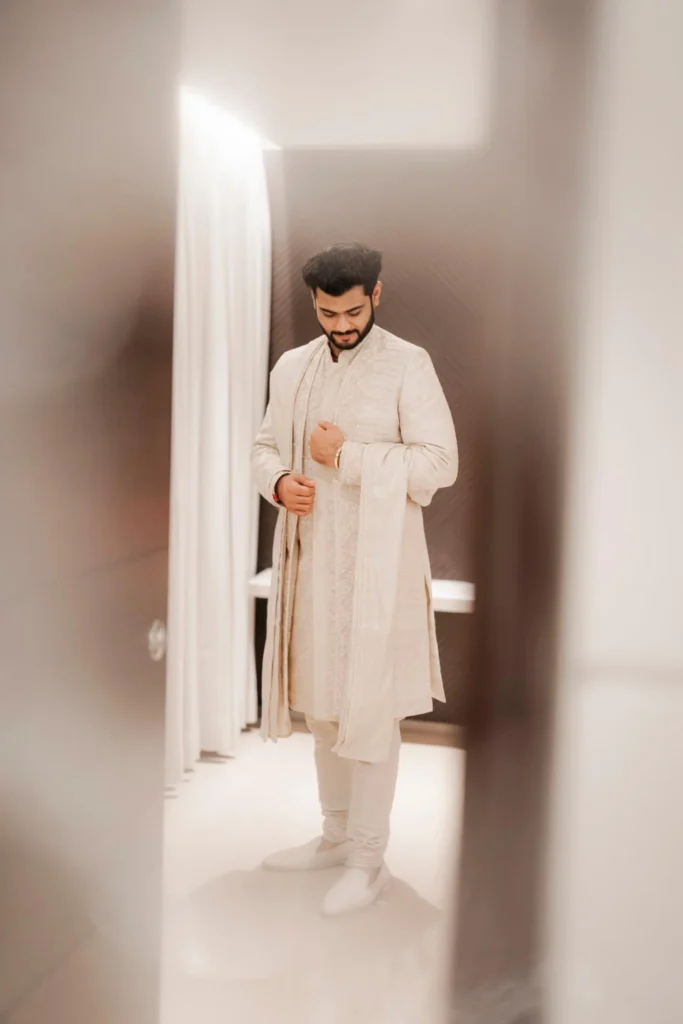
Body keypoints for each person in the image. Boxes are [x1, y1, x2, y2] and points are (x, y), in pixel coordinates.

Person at [251, 242, 458, 916]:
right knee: (321, 707)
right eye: (326, 313)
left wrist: (347, 456)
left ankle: (369, 860)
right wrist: (279, 482)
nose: (340, 325)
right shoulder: (292, 366)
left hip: (379, 570)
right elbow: (263, 447)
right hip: (311, 563)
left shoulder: (407, 363)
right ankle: (336, 836)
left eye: (351, 311)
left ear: (376, 294)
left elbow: (440, 463)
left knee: (370, 710)